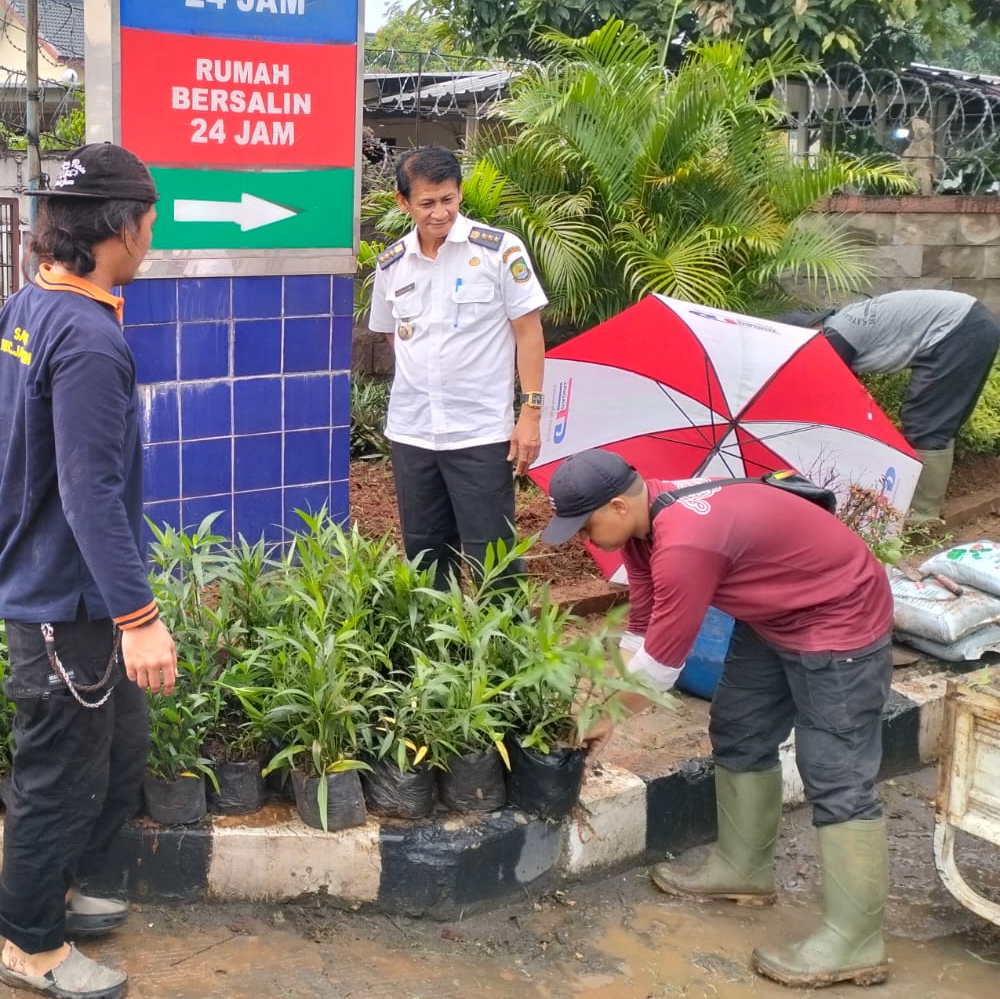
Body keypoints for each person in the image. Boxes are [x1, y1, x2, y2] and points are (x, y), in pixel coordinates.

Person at [543, 449, 894, 988]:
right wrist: (612, 696)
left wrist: (609, 716)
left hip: (837, 618)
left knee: (836, 770)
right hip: (773, 615)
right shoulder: (645, 524)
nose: (584, 539)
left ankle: (857, 939)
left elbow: (663, 663)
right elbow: (644, 622)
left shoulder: (685, 539)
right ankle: (744, 868)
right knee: (739, 728)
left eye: (586, 525)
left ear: (616, 504)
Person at [0, 143, 178, 999]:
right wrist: (140, 618)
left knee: (117, 745)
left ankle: (63, 893)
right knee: (58, 772)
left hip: (59, 582)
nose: (150, 238)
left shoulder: (26, 307)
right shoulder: (91, 340)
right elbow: (92, 492)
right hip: (67, 597)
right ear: (123, 229)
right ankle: (30, 945)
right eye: (149, 222)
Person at [367, 145, 548, 586]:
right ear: (403, 201)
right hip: (413, 432)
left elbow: (529, 333)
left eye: (448, 199)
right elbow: (394, 335)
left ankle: (504, 652)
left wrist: (530, 414)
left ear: (460, 193)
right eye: (427, 203)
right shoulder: (393, 263)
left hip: (480, 432)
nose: (439, 213)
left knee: (494, 557)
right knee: (426, 555)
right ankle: (440, 650)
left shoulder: (499, 251)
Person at [788, 290, 1000, 524]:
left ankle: (921, 518)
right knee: (940, 422)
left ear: (807, 332)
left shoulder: (833, 339)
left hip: (958, 329)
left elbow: (835, 403)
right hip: (970, 323)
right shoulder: (844, 326)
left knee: (927, 423)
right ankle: (923, 508)